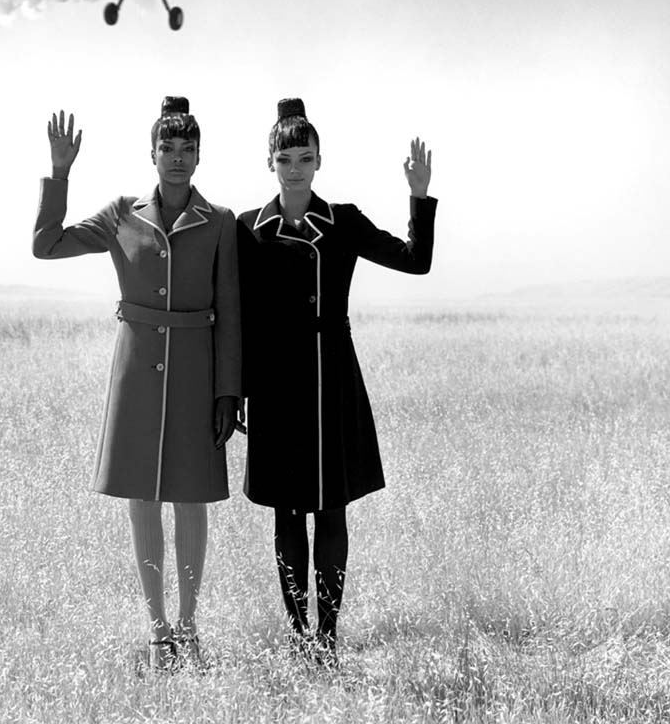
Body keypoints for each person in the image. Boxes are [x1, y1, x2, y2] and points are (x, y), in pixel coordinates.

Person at [32, 97, 241, 669]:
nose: (177, 159)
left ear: (200, 155)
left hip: (198, 372)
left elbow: (231, 310)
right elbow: (45, 245)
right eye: (167, 148)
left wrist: (230, 392)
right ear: (151, 154)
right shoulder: (122, 213)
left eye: (187, 149)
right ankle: (157, 632)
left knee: (190, 498)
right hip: (137, 371)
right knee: (141, 501)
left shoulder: (221, 222)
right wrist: (60, 174)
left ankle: (190, 628)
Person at [236, 98, 436, 666]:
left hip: (331, 376)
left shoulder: (341, 221)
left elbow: (414, 261)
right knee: (286, 513)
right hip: (275, 382)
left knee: (331, 510)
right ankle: (299, 634)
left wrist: (418, 197)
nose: (294, 167)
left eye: (304, 156)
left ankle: (328, 637)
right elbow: (241, 315)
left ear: (320, 160)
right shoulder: (250, 229)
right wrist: (241, 389)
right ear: (269, 162)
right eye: (284, 157)